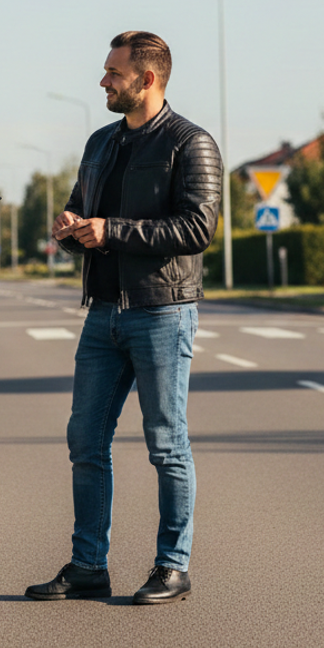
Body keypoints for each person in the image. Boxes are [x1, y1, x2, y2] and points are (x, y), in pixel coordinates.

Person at [25, 31, 220, 605]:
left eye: (113, 72)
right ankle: (88, 565)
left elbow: (197, 229)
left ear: (148, 78)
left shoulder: (191, 144)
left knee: (166, 444)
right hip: (103, 315)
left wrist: (113, 231)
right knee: (85, 439)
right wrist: (70, 230)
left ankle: (172, 566)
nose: (103, 81)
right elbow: (83, 216)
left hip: (163, 312)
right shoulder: (100, 144)